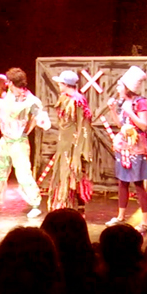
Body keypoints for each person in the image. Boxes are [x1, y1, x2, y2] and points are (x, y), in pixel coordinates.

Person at [0, 67, 51, 218]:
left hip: (18, 142)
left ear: (11, 82)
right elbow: (3, 111)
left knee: (23, 173)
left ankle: (35, 204)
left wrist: (34, 124)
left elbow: (40, 118)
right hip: (5, 139)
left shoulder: (30, 100)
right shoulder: (8, 96)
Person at [104, 66, 147, 233]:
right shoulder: (122, 102)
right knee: (122, 181)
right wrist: (113, 111)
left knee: (138, 183)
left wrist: (130, 113)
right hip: (124, 147)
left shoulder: (139, 102)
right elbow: (121, 125)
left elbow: (143, 125)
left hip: (136, 148)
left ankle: (145, 221)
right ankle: (120, 216)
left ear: (127, 87)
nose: (117, 88)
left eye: (120, 85)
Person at [46, 70, 94, 212]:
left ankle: (78, 208)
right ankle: (64, 205)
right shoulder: (64, 98)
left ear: (65, 84)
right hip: (64, 143)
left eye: (60, 83)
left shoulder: (77, 101)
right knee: (63, 174)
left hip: (74, 145)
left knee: (75, 175)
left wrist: (79, 148)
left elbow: (83, 125)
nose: (58, 85)